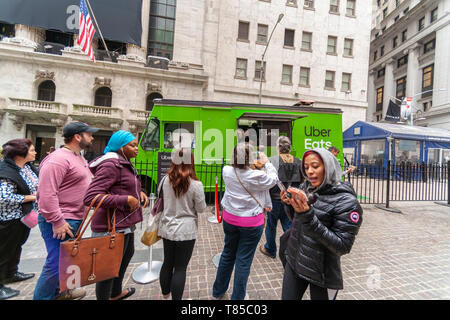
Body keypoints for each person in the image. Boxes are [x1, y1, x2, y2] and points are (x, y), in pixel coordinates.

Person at [280, 148, 363, 300]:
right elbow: (297, 222)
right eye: (306, 168)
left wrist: (308, 216)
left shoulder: (347, 202)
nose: (310, 171)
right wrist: (291, 205)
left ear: (328, 166)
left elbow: (342, 246)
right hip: (295, 259)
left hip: (322, 273)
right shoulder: (306, 188)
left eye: (315, 166)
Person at [33, 121, 98, 300]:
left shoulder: (78, 157)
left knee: (66, 261)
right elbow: (46, 194)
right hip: (62, 220)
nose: (92, 137)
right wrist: (57, 221)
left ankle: (61, 293)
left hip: (74, 219)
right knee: (56, 264)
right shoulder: (58, 159)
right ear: (78, 137)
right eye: (89, 134)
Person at [84, 130, 149, 300]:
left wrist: (139, 193)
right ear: (120, 147)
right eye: (132, 145)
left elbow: (121, 185)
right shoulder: (110, 165)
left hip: (124, 223)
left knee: (125, 258)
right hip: (111, 226)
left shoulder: (123, 161)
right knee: (108, 269)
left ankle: (115, 293)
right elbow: (91, 197)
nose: (137, 149)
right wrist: (125, 199)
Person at [212, 142, 277, 300]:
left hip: (230, 219)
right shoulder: (256, 175)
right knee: (243, 260)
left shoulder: (227, 170)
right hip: (251, 223)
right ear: (249, 159)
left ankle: (218, 291)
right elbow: (274, 180)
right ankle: (238, 297)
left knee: (227, 254)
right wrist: (267, 163)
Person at [158, 148, 206, 300]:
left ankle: (165, 294)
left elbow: (161, 199)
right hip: (186, 231)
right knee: (180, 268)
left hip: (167, 227)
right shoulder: (196, 185)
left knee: (167, 263)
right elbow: (201, 208)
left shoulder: (165, 180)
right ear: (191, 161)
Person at [0, 139, 38, 300]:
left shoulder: (27, 167)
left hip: (24, 217)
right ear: (20, 154)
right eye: (31, 150)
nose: (34, 153)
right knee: (3, 252)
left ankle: (11, 273)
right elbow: (4, 197)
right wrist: (31, 197)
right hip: (9, 219)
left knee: (16, 246)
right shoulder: (6, 171)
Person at [260, 136, 303, 259]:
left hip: (274, 199)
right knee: (289, 226)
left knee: (271, 226)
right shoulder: (298, 161)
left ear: (278, 148)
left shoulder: (272, 160)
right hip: (291, 199)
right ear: (289, 147)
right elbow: (302, 179)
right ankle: (293, 251)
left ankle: (270, 249)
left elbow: (266, 180)